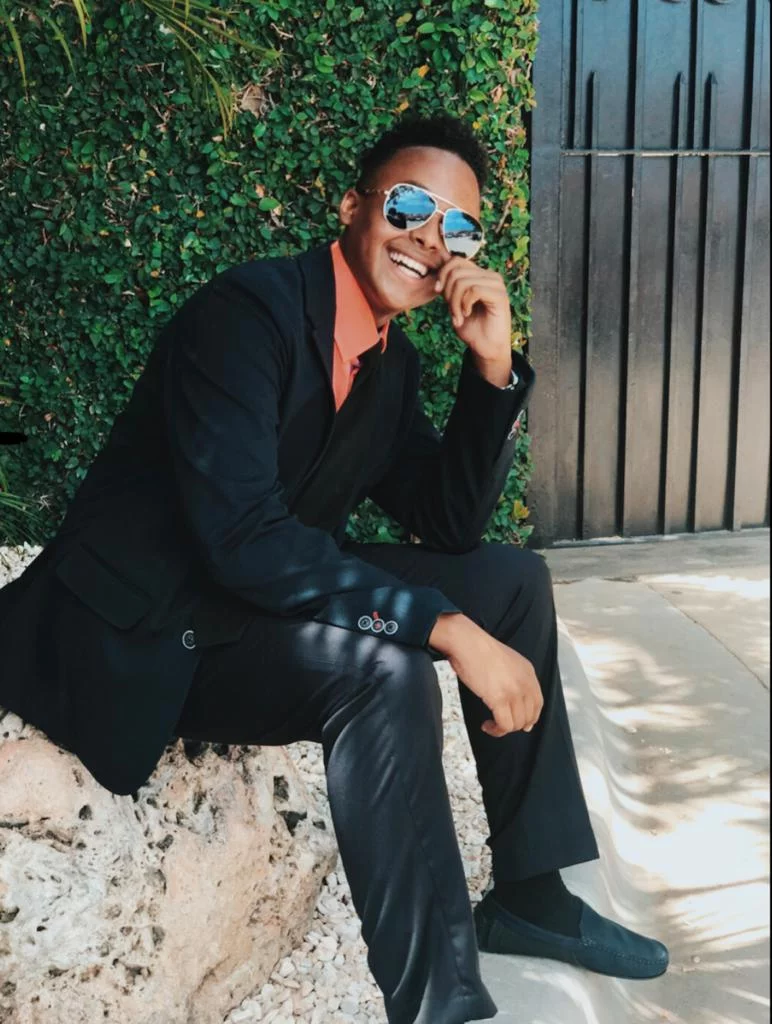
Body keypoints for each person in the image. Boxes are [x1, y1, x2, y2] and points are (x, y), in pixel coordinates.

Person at [0, 112, 668, 1024]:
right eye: (410, 206)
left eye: (459, 226)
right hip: (152, 623)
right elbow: (243, 535)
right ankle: (440, 1007)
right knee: (383, 669)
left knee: (512, 582)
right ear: (354, 206)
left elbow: (445, 523)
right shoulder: (246, 315)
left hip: (247, 597)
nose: (430, 238)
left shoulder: (387, 363)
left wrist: (491, 369)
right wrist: (441, 626)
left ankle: (531, 895)